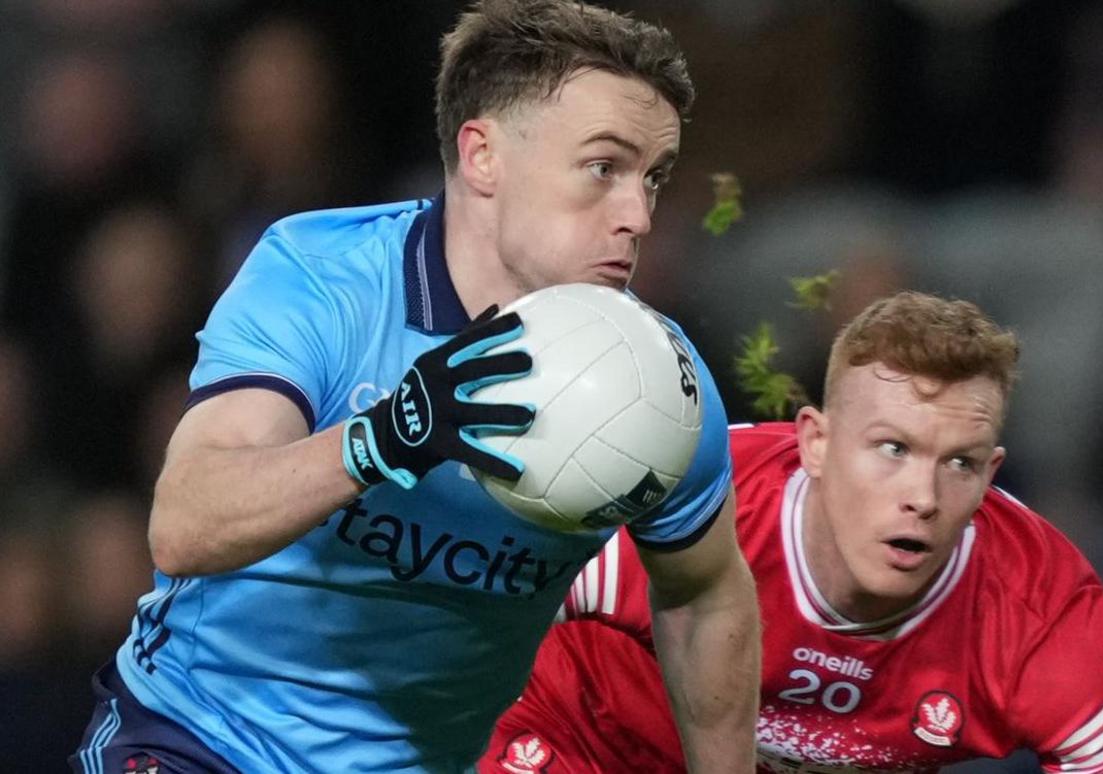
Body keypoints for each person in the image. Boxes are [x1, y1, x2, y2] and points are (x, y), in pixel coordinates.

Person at [70, 2, 760, 772]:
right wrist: (379, 438)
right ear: (484, 155)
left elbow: (703, 597)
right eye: (604, 167)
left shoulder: (661, 391)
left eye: (653, 178)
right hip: (200, 735)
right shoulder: (321, 280)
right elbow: (185, 522)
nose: (637, 215)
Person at [483, 291, 1103, 773]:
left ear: (993, 474)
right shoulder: (685, 497)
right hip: (575, 751)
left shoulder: (1034, 607)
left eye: (959, 463)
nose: (922, 496)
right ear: (815, 444)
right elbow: (462, 617)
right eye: (892, 449)